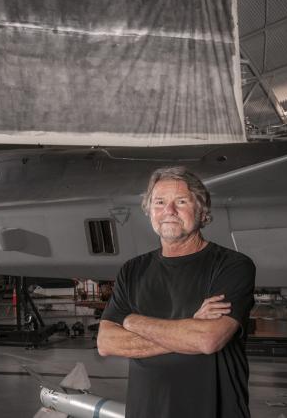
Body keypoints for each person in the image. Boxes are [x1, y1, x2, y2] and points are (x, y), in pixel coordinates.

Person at [97, 166, 255, 418]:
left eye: (181, 201)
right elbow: (106, 343)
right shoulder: (133, 270)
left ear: (202, 211)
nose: (168, 211)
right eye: (159, 202)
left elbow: (207, 340)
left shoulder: (232, 265)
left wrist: (131, 320)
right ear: (149, 212)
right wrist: (189, 328)